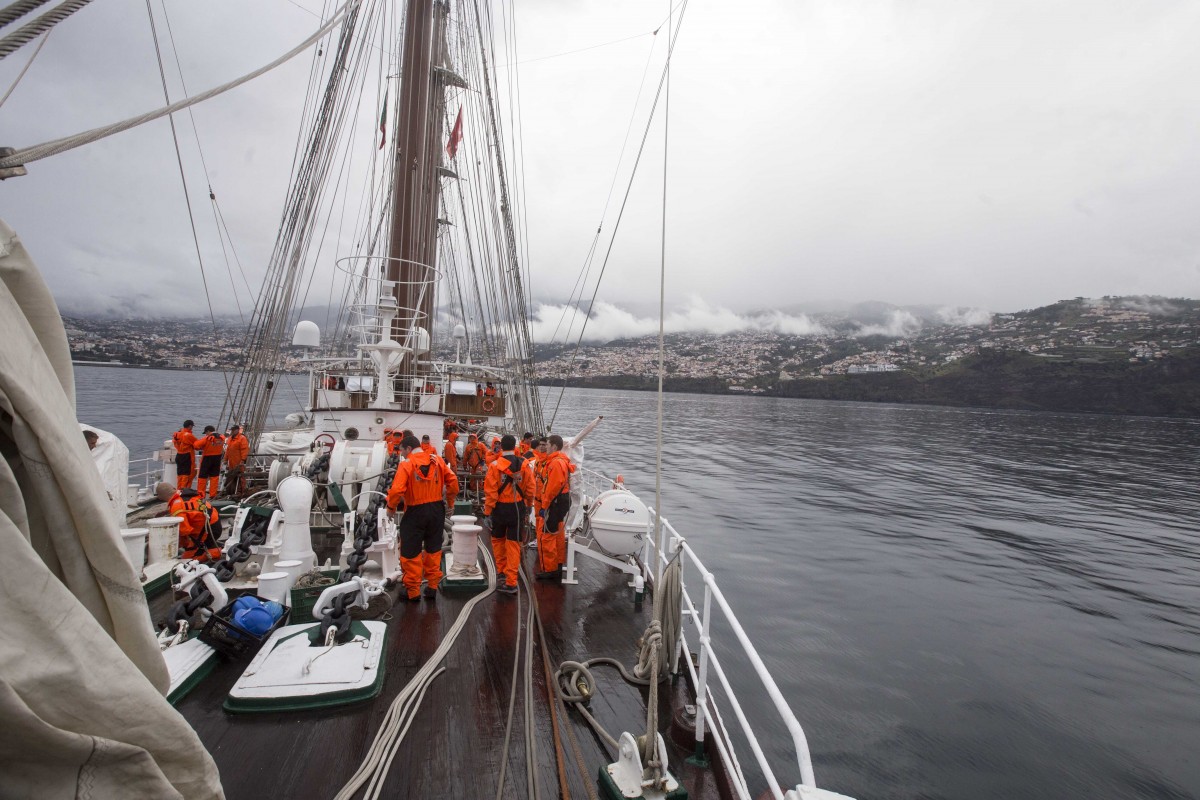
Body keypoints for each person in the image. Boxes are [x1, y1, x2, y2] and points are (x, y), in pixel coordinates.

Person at [386, 435, 459, 601]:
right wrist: (450, 502)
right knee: (433, 548)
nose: (402, 455)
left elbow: (397, 490)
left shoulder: (407, 464)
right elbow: (453, 481)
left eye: (403, 451)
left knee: (410, 551)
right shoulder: (438, 460)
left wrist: (390, 508)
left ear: (409, 448)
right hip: (436, 510)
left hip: (415, 512)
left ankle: (413, 592)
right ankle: (432, 587)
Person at [482, 435, 527, 594]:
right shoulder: (525, 464)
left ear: (501, 447)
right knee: (514, 544)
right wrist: (526, 507)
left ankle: (501, 572)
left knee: (498, 540)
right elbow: (530, 488)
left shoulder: (494, 466)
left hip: (500, 508)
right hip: (518, 507)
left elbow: (491, 491)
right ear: (515, 446)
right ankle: (511, 582)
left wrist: (488, 512)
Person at [536, 434, 573, 580]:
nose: (546, 447)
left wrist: (544, 506)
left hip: (555, 502)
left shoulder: (556, 463)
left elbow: (552, 488)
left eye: (548, 445)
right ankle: (557, 563)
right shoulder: (560, 461)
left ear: (554, 447)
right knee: (557, 531)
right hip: (561, 501)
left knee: (547, 535)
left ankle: (550, 570)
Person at [156, 482, 222, 562]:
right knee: (186, 545)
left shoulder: (176, 506)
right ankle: (200, 547)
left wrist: (172, 540)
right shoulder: (183, 495)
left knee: (188, 559)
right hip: (213, 522)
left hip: (209, 530)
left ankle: (215, 552)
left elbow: (184, 530)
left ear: (161, 497)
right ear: (173, 488)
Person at [192, 425, 226, 499]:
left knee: (202, 477)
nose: (206, 434)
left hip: (207, 459)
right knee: (214, 477)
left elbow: (196, 445)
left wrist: (203, 446)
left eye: (206, 433)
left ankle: (201, 494)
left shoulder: (207, 438)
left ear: (208, 431)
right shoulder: (221, 438)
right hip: (217, 459)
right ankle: (213, 494)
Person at [223, 425, 249, 497]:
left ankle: (241, 491)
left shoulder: (242, 438)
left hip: (238, 462)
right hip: (231, 462)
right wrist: (225, 459)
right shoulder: (230, 439)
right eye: (232, 430)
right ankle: (232, 490)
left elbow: (245, 450)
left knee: (240, 476)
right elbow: (228, 450)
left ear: (237, 430)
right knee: (231, 476)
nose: (232, 431)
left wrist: (243, 460)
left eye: (234, 430)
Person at [171, 420, 197, 489]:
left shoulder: (176, 434)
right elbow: (197, 444)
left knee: (180, 474)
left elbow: (175, 443)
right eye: (192, 426)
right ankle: (185, 491)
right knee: (187, 474)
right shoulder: (188, 435)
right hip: (187, 456)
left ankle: (179, 489)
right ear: (190, 426)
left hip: (179, 455)